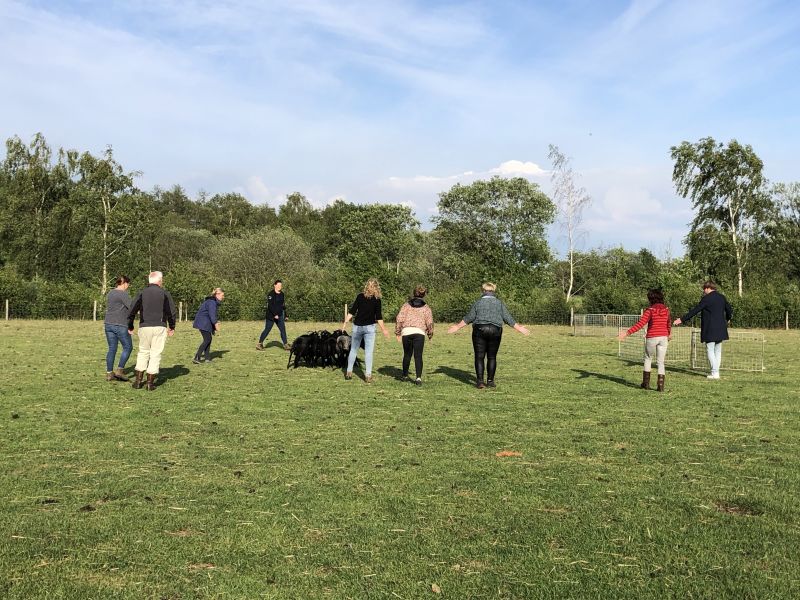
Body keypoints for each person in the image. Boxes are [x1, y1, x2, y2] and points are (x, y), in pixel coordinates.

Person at [447, 282, 529, 389]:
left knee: (479, 356)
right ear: (493, 291)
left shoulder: (478, 303)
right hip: (495, 330)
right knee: (492, 357)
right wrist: (519, 328)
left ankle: (480, 382)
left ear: (483, 291)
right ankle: (490, 381)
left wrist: (457, 327)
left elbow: (469, 317)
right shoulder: (499, 303)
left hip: (480, 330)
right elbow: (508, 318)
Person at [127, 271, 177, 391]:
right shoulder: (164, 293)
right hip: (160, 326)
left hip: (144, 326)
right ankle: (150, 383)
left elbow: (132, 310)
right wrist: (172, 326)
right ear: (159, 281)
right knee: (155, 353)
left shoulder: (142, 293)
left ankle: (138, 381)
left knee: (143, 351)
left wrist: (130, 326)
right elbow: (171, 311)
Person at [673, 281, 732, 379]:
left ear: (708, 288)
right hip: (721, 328)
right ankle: (716, 372)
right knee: (718, 351)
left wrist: (681, 319)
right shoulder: (722, 297)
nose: (703, 291)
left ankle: (715, 372)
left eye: (704, 289)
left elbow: (695, 310)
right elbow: (729, 309)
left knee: (710, 349)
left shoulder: (706, 299)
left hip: (710, 328)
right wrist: (728, 318)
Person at [617, 289, 671, 391]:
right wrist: (669, 334)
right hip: (664, 337)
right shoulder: (666, 310)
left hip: (652, 337)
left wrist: (627, 333)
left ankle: (646, 384)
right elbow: (668, 323)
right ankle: (660, 386)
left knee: (648, 358)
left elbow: (640, 324)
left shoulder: (650, 310)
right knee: (661, 362)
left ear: (651, 299)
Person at [343, 278, 390, 383]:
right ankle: (368, 376)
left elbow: (352, 311)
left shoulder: (360, 296)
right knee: (368, 352)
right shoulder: (377, 300)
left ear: (366, 286)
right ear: (377, 287)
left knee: (353, 350)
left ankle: (349, 372)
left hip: (357, 327)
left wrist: (345, 322)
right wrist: (384, 330)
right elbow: (379, 317)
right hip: (370, 328)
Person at [394, 285, 434, 386]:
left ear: (413, 293)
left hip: (406, 332)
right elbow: (429, 322)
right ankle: (418, 378)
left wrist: (398, 332)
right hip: (419, 333)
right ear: (424, 295)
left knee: (407, 354)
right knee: (418, 356)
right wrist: (430, 334)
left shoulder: (406, 305)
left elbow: (399, 319)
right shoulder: (426, 307)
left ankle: (404, 375)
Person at [104, 275, 133, 382]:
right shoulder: (123, 294)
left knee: (112, 348)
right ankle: (119, 370)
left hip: (108, 323)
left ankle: (109, 373)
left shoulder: (110, 293)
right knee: (128, 347)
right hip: (120, 324)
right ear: (124, 283)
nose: (128, 286)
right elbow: (131, 307)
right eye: (128, 284)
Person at [193, 287, 224, 364]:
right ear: (217, 294)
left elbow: (211, 315)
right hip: (203, 323)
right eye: (222, 295)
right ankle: (197, 357)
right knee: (207, 339)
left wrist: (215, 322)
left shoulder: (212, 301)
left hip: (204, 322)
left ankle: (207, 358)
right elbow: (212, 315)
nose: (223, 297)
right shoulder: (212, 302)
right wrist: (215, 323)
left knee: (208, 339)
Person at [256, 280, 289, 351]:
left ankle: (286, 345)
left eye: (281, 285)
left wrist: (286, 315)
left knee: (283, 329)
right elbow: (270, 306)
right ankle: (259, 344)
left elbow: (283, 305)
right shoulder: (271, 294)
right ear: (275, 285)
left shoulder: (282, 294)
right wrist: (275, 314)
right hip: (271, 316)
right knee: (267, 329)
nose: (280, 287)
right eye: (278, 285)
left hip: (279, 316)